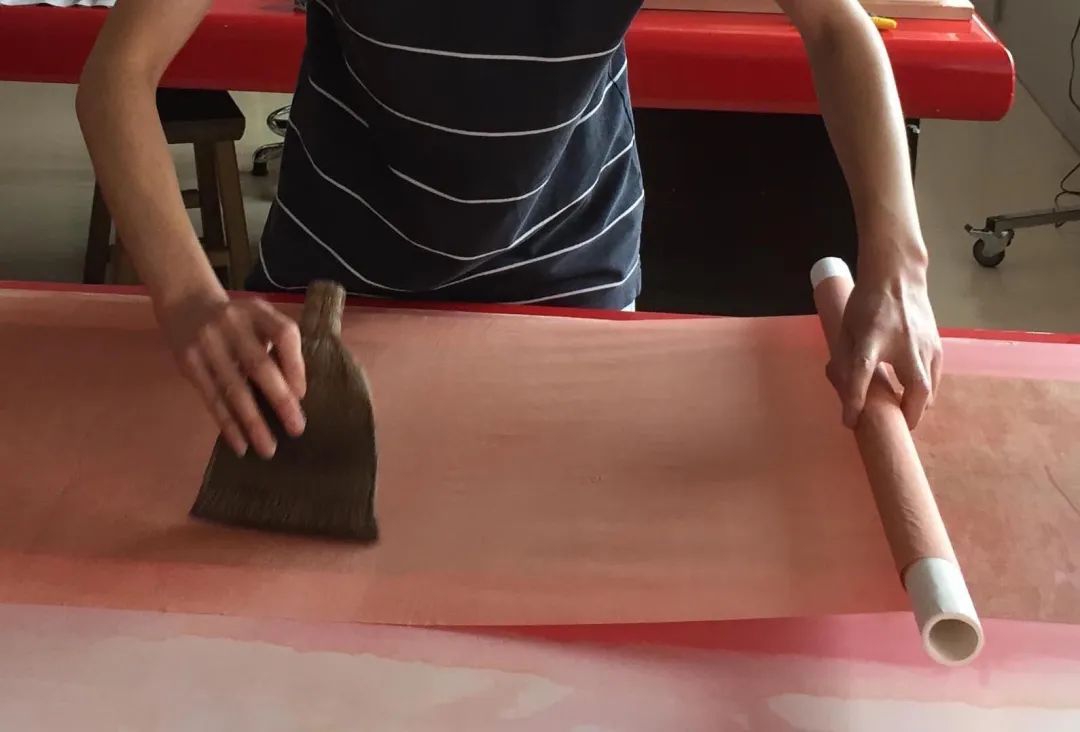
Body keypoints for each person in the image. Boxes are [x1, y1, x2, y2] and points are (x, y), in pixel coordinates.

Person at [78, 0, 941, 460]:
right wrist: (189, 299)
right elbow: (117, 74)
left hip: (570, 275)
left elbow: (838, 27)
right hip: (336, 288)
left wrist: (898, 260)